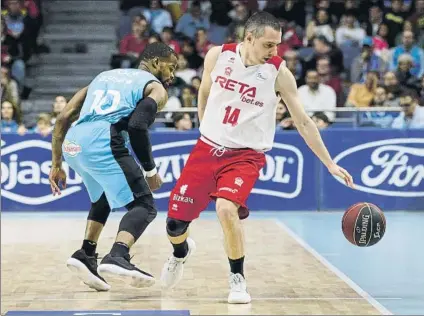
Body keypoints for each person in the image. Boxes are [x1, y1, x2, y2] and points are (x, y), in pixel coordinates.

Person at [160, 12, 355, 304]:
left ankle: (237, 279)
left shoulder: (279, 73)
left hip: (245, 156)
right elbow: (204, 92)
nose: (274, 51)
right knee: (174, 226)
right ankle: (180, 252)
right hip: (207, 148)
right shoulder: (217, 56)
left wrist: (329, 162)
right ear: (249, 38)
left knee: (226, 209)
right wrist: (205, 131)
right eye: (268, 45)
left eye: (277, 45)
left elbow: (302, 121)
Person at [49, 43, 177, 292]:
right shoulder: (155, 87)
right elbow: (138, 126)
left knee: (103, 198)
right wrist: (150, 171)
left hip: (74, 143)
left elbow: (64, 117)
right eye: (171, 67)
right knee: (144, 206)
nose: (172, 75)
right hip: (104, 139)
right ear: (155, 62)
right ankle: (118, 255)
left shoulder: (102, 77)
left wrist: (56, 164)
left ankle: (86, 253)